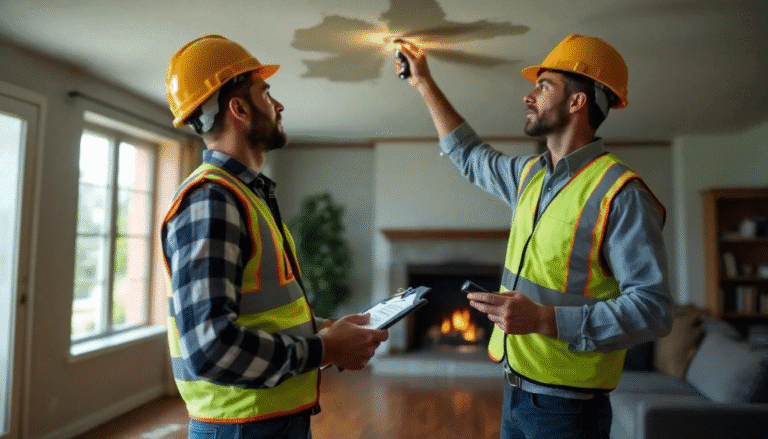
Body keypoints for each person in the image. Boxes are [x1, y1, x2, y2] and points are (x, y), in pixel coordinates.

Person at [396, 34, 673, 438]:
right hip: (515, 391)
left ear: (576, 102)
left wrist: (546, 319)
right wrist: (423, 81)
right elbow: (469, 155)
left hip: (568, 409)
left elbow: (653, 309)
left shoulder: (621, 194)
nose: (529, 96)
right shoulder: (530, 176)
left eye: (543, 86)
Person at [161, 35, 388, 439]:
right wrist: (325, 349)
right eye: (266, 93)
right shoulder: (212, 200)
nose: (279, 105)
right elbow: (210, 350)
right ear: (239, 108)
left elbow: (258, 314)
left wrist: (323, 330)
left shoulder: (245, 194)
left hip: (265, 421)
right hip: (242, 427)